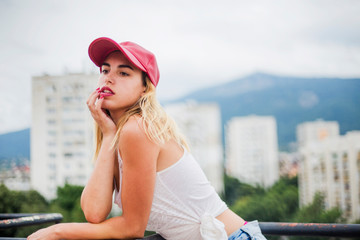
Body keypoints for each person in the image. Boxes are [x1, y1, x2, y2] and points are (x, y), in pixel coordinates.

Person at [28, 37, 267, 240]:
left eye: (123, 72)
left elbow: (132, 227)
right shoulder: (120, 132)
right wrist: (109, 134)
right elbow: (94, 212)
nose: (109, 78)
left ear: (145, 88)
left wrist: (58, 232)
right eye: (105, 70)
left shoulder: (138, 129)